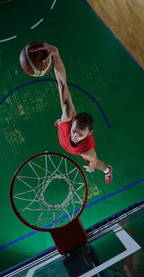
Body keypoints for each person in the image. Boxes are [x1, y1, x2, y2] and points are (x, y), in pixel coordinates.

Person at [30, 43, 113, 183]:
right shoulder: (69, 116)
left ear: (89, 134)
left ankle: (107, 170)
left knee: (97, 163)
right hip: (65, 130)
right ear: (73, 121)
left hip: (80, 151)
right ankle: (60, 123)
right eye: (75, 130)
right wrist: (55, 53)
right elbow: (62, 82)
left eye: (80, 134)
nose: (75, 135)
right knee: (63, 94)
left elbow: (93, 159)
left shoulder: (87, 149)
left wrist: (92, 166)